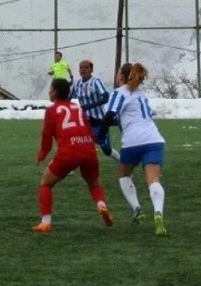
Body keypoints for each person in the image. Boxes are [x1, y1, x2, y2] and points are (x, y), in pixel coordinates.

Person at [33, 78, 113, 232]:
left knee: (45, 184)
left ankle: (46, 222)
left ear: (55, 92)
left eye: (50, 88)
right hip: (88, 149)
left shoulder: (52, 110)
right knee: (94, 184)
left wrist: (42, 154)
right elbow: (89, 129)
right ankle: (101, 205)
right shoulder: (77, 107)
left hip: (68, 153)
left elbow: (46, 136)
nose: (49, 91)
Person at [103, 62, 168, 236]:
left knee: (124, 175)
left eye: (117, 73)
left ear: (122, 76)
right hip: (154, 139)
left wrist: (99, 132)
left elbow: (110, 115)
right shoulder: (141, 93)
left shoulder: (120, 92)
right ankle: (158, 212)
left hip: (132, 142)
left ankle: (137, 209)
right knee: (153, 180)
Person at [70, 59, 120, 162]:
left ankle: (122, 162)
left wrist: (89, 106)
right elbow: (68, 98)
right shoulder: (77, 84)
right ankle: (71, 165)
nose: (83, 70)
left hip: (99, 122)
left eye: (86, 67)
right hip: (85, 121)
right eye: (81, 68)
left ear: (91, 70)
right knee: (78, 143)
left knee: (107, 150)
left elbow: (106, 97)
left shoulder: (96, 82)